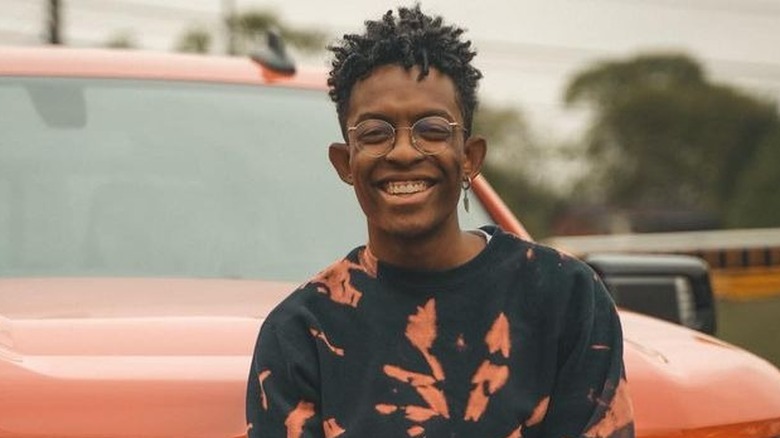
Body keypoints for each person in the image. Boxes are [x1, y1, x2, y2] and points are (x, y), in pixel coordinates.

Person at [246, 4, 634, 437]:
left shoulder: (563, 297)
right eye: (375, 132)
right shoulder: (302, 333)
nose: (405, 152)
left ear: (470, 157)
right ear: (345, 162)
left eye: (431, 129)